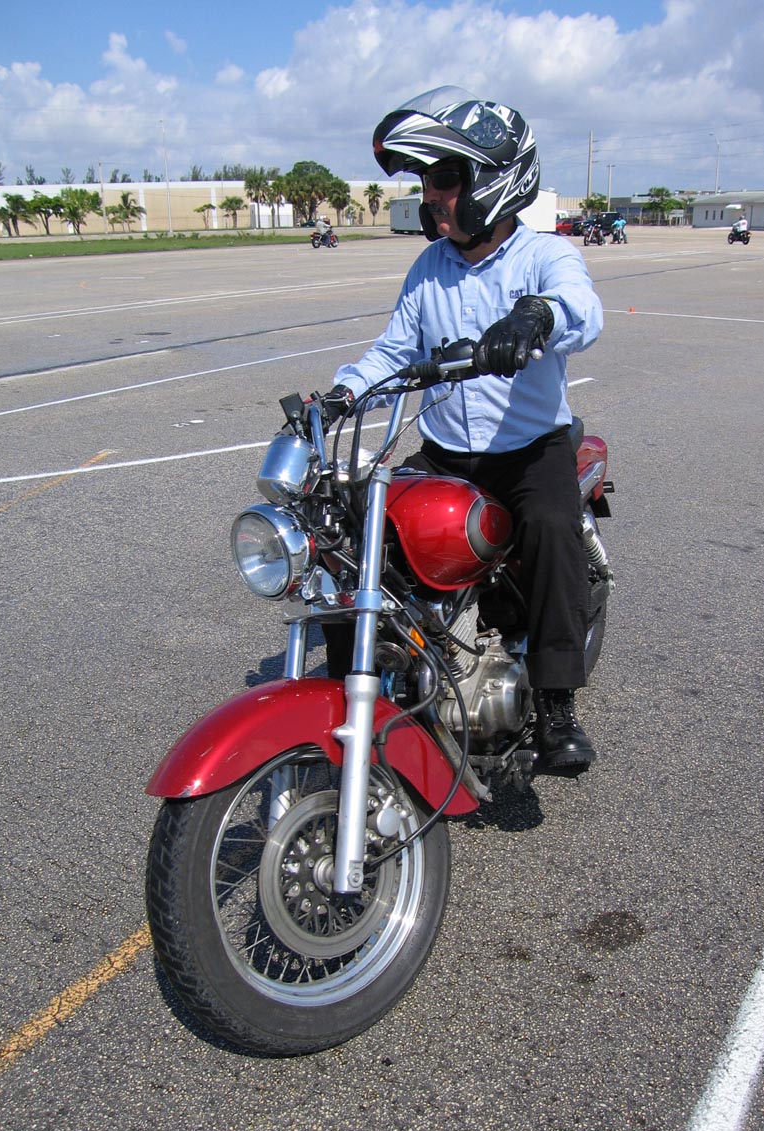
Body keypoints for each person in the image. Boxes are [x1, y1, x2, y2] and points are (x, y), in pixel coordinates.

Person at [321, 86, 604, 773]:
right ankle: (352, 691)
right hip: (447, 454)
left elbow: (583, 309)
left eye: (446, 178)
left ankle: (556, 706)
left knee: (551, 529)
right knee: (359, 533)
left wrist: (536, 317)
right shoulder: (429, 268)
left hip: (528, 453)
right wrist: (341, 394)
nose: (433, 195)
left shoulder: (542, 256)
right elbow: (394, 350)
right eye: (426, 181)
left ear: (494, 180)